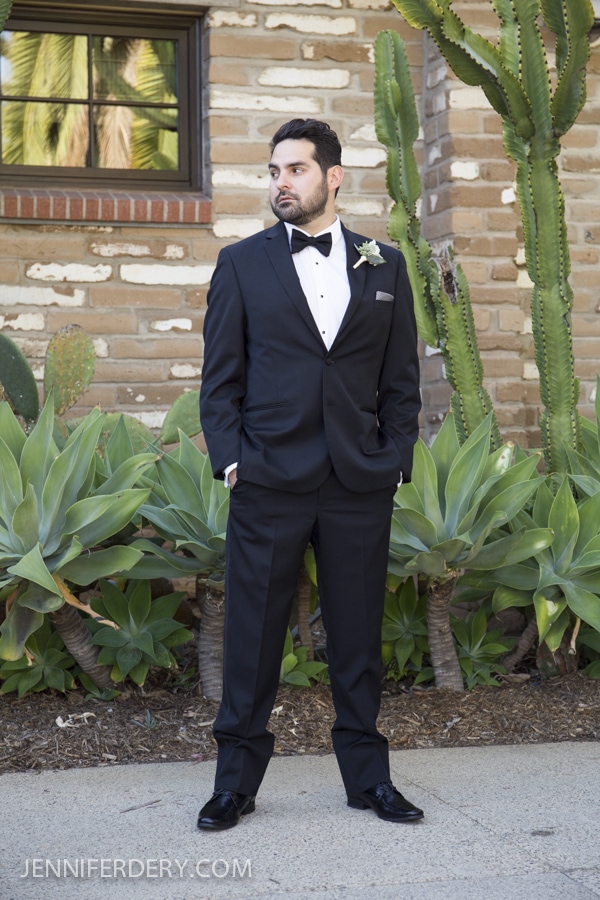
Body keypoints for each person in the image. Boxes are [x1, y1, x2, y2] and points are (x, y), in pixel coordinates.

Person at [197, 118, 423, 831]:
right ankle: (234, 783)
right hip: (267, 478)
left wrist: (394, 462)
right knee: (253, 640)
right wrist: (233, 462)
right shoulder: (241, 264)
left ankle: (368, 780)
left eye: (294, 169)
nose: (280, 183)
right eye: (272, 172)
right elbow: (219, 383)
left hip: (360, 483)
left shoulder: (384, 266)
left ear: (333, 177)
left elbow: (404, 382)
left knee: (358, 640)